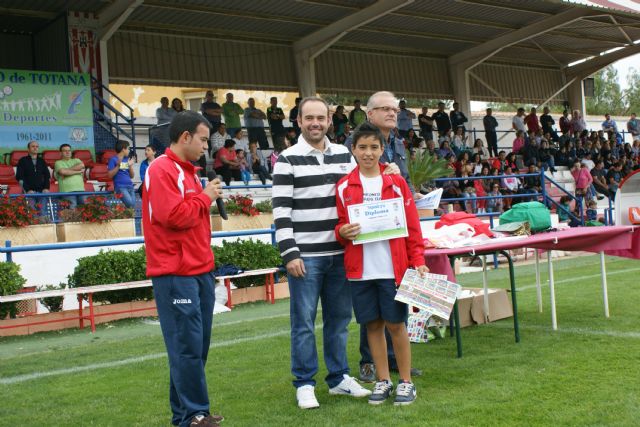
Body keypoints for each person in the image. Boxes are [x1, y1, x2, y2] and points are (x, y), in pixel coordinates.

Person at [272, 96, 372, 410]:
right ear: (299, 122)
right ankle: (304, 383)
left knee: (339, 320)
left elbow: (360, 192)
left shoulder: (345, 154)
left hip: (341, 254)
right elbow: (281, 211)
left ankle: (339, 378)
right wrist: (290, 253)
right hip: (306, 257)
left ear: (329, 121)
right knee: (303, 321)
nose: (316, 123)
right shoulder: (287, 159)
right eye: (309, 118)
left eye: (321, 118)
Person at [335, 122, 427, 406]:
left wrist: (419, 261)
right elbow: (340, 226)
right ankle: (383, 381)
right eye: (362, 147)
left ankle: (406, 383)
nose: (368, 153)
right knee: (372, 326)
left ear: (382, 149)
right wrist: (342, 232)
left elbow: (412, 227)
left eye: (374, 147)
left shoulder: (396, 183)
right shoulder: (343, 187)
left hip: (392, 270)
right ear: (353, 150)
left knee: (396, 325)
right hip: (361, 272)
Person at [142, 111, 223, 427]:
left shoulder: (187, 172)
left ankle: (186, 415)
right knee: (187, 348)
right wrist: (205, 198)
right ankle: (194, 414)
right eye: (203, 139)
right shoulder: (161, 170)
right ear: (185, 137)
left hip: (198, 270)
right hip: (176, 273)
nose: (206, 145)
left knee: (195, 348)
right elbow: (172, 217)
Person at [54, 144, 86, 209]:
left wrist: (67, 171)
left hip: (81, 190)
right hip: (67, 191)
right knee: (71, 212)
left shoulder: (77, 160)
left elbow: (82, 165)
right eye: (65, 151)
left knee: (85, 210)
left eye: (69, 150)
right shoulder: (58, 162)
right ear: (61, 153)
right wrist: (77, 171)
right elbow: (63, 172)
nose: (68, 152)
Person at [107, 140, 136, 208]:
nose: (129, 150)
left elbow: (132, 176)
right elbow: (109, 175)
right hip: (120, 187)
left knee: (132, 207)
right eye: (128, 148)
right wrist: (118, 166)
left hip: (130, 186)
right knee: (131, 205)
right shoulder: (113, 159)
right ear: (123, 149)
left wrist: (130, 165)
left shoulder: (127, 160)